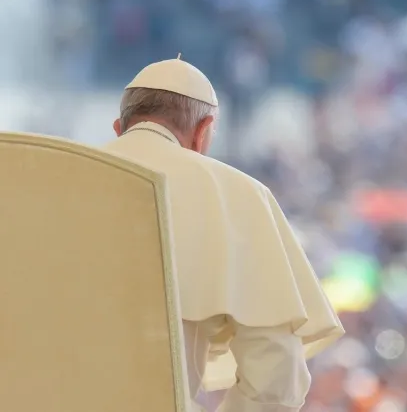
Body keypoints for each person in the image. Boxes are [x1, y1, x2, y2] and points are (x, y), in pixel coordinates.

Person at [103, 57, 344, 412]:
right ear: (203, 132)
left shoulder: (47, 182)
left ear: (118, 128)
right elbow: (275, 377)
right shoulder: (238, 195)